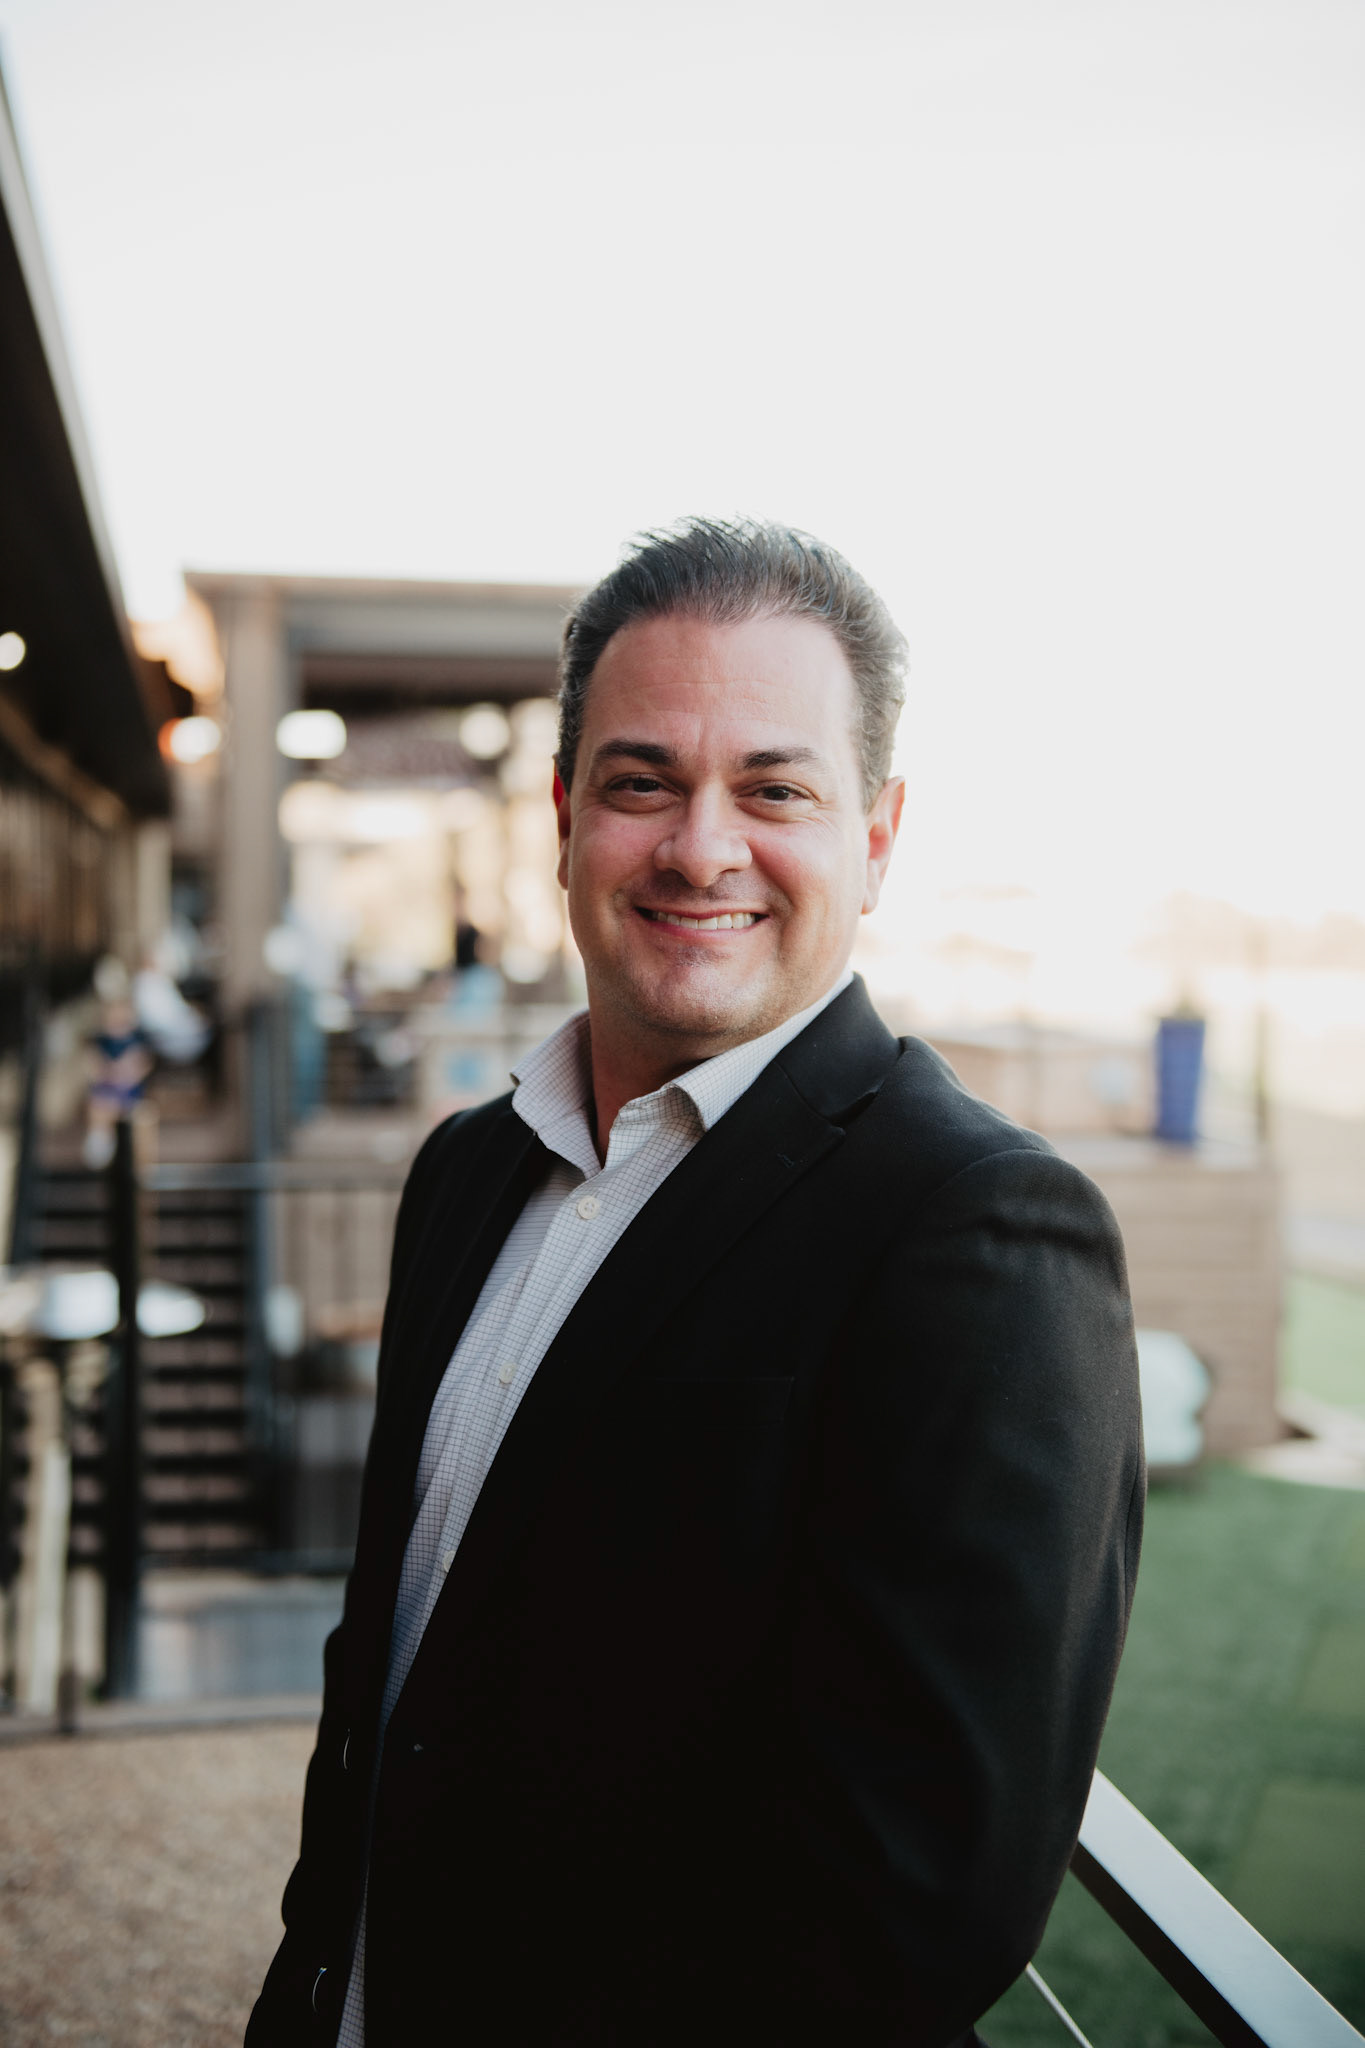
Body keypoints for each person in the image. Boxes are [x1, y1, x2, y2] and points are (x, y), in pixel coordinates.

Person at [248, 519, 1143, 2048]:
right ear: (562, 817)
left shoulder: (977, 1230)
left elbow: (917, 1902)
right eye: (641, 782)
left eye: (774, 790)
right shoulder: (466, 1172)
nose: (699, 849)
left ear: (877, 836)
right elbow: (386, 1681)